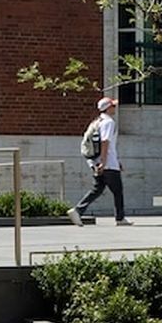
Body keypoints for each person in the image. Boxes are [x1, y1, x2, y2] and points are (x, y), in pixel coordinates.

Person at [68, 97, 131, 227]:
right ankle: (120, 218)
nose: (115, 108)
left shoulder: (96, 121)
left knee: (97, 189)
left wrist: (102, 162)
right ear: (107, 108)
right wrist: (104, 162)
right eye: (113, 106)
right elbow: (105, 142)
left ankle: (78, 210)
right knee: (117, 190)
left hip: (97, 161)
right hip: (107, 163)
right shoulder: (108, 122)